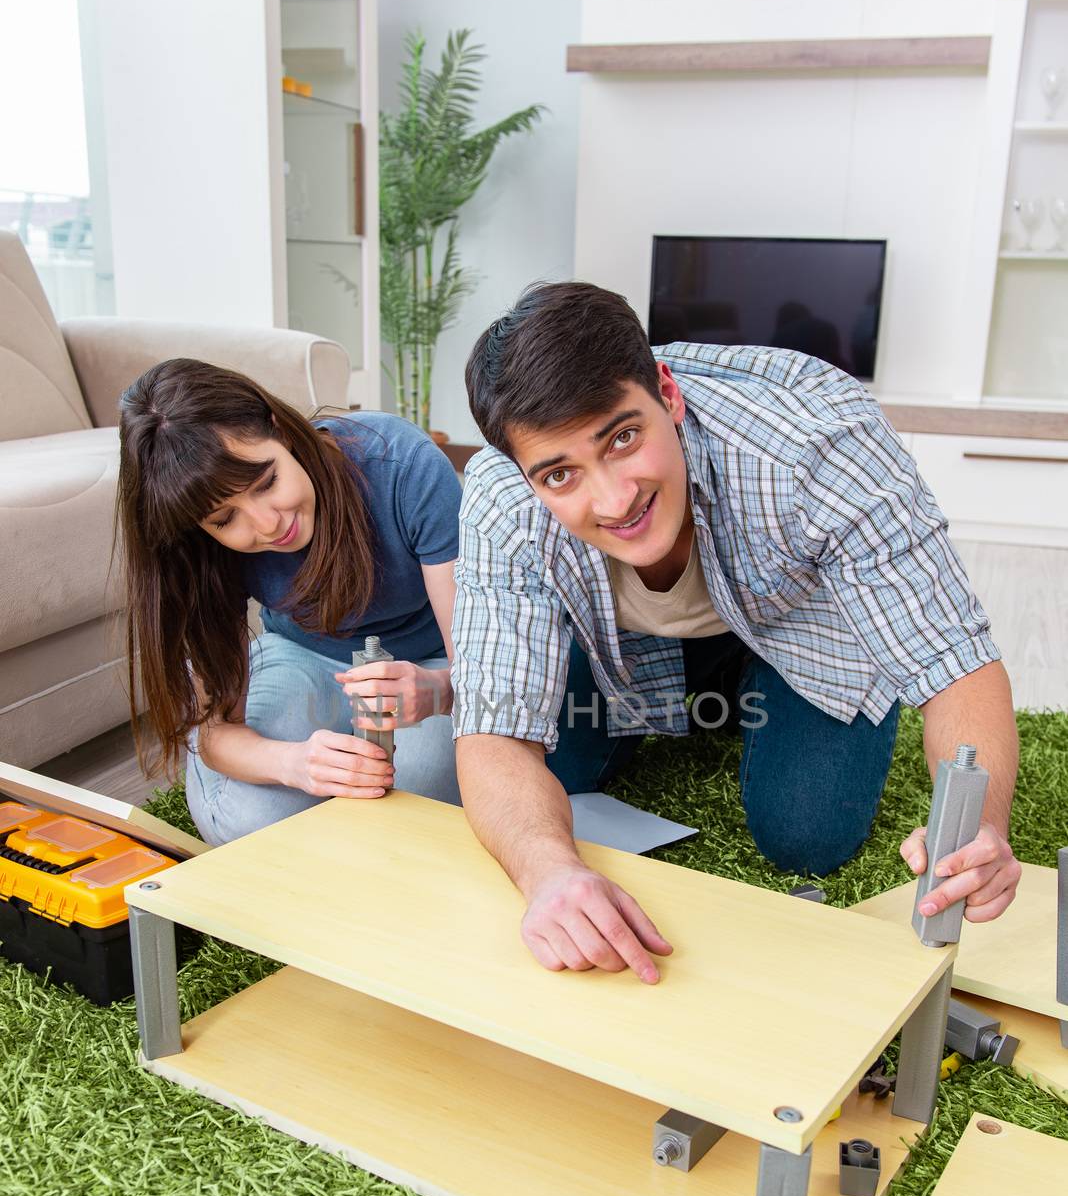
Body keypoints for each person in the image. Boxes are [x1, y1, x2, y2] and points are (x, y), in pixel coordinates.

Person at [451, 281, 1023, 983]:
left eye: (623, 438)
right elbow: (493, 730)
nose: (614, 498)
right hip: (629, 640)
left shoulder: (818, 442)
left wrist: (982, 827)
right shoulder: (502, 493)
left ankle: (754, 690)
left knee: (809, 835)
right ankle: (691, 703)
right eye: (562, 474)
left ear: (667, 392)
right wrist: (548, 874)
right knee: (546, 790)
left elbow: (955, 664)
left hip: (798, 624)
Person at [117, 359, 464, 844]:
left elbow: (482, 669)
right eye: (224, 520)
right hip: (302, 655)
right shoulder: (199, 550)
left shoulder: (401, 465)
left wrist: (436, 690)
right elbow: (218, 733)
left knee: (420, 781)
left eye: (266, 484)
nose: (267, 524)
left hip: (432, 662)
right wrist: (295, 765)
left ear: (279, 429)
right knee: (245, 819)